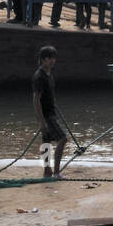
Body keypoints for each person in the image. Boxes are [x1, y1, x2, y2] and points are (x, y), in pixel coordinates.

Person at [32, 46, 66, 180]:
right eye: (48, 58)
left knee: (46, 142)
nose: (51, 61)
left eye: (53, 58)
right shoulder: (39, 76)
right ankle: (56, 173)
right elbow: (36, 100)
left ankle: (47, 171)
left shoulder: (49, 75)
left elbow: (49, 95)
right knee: (62, 139)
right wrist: (41, 121)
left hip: (52, 112)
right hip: (46, 115)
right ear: (42, 60)